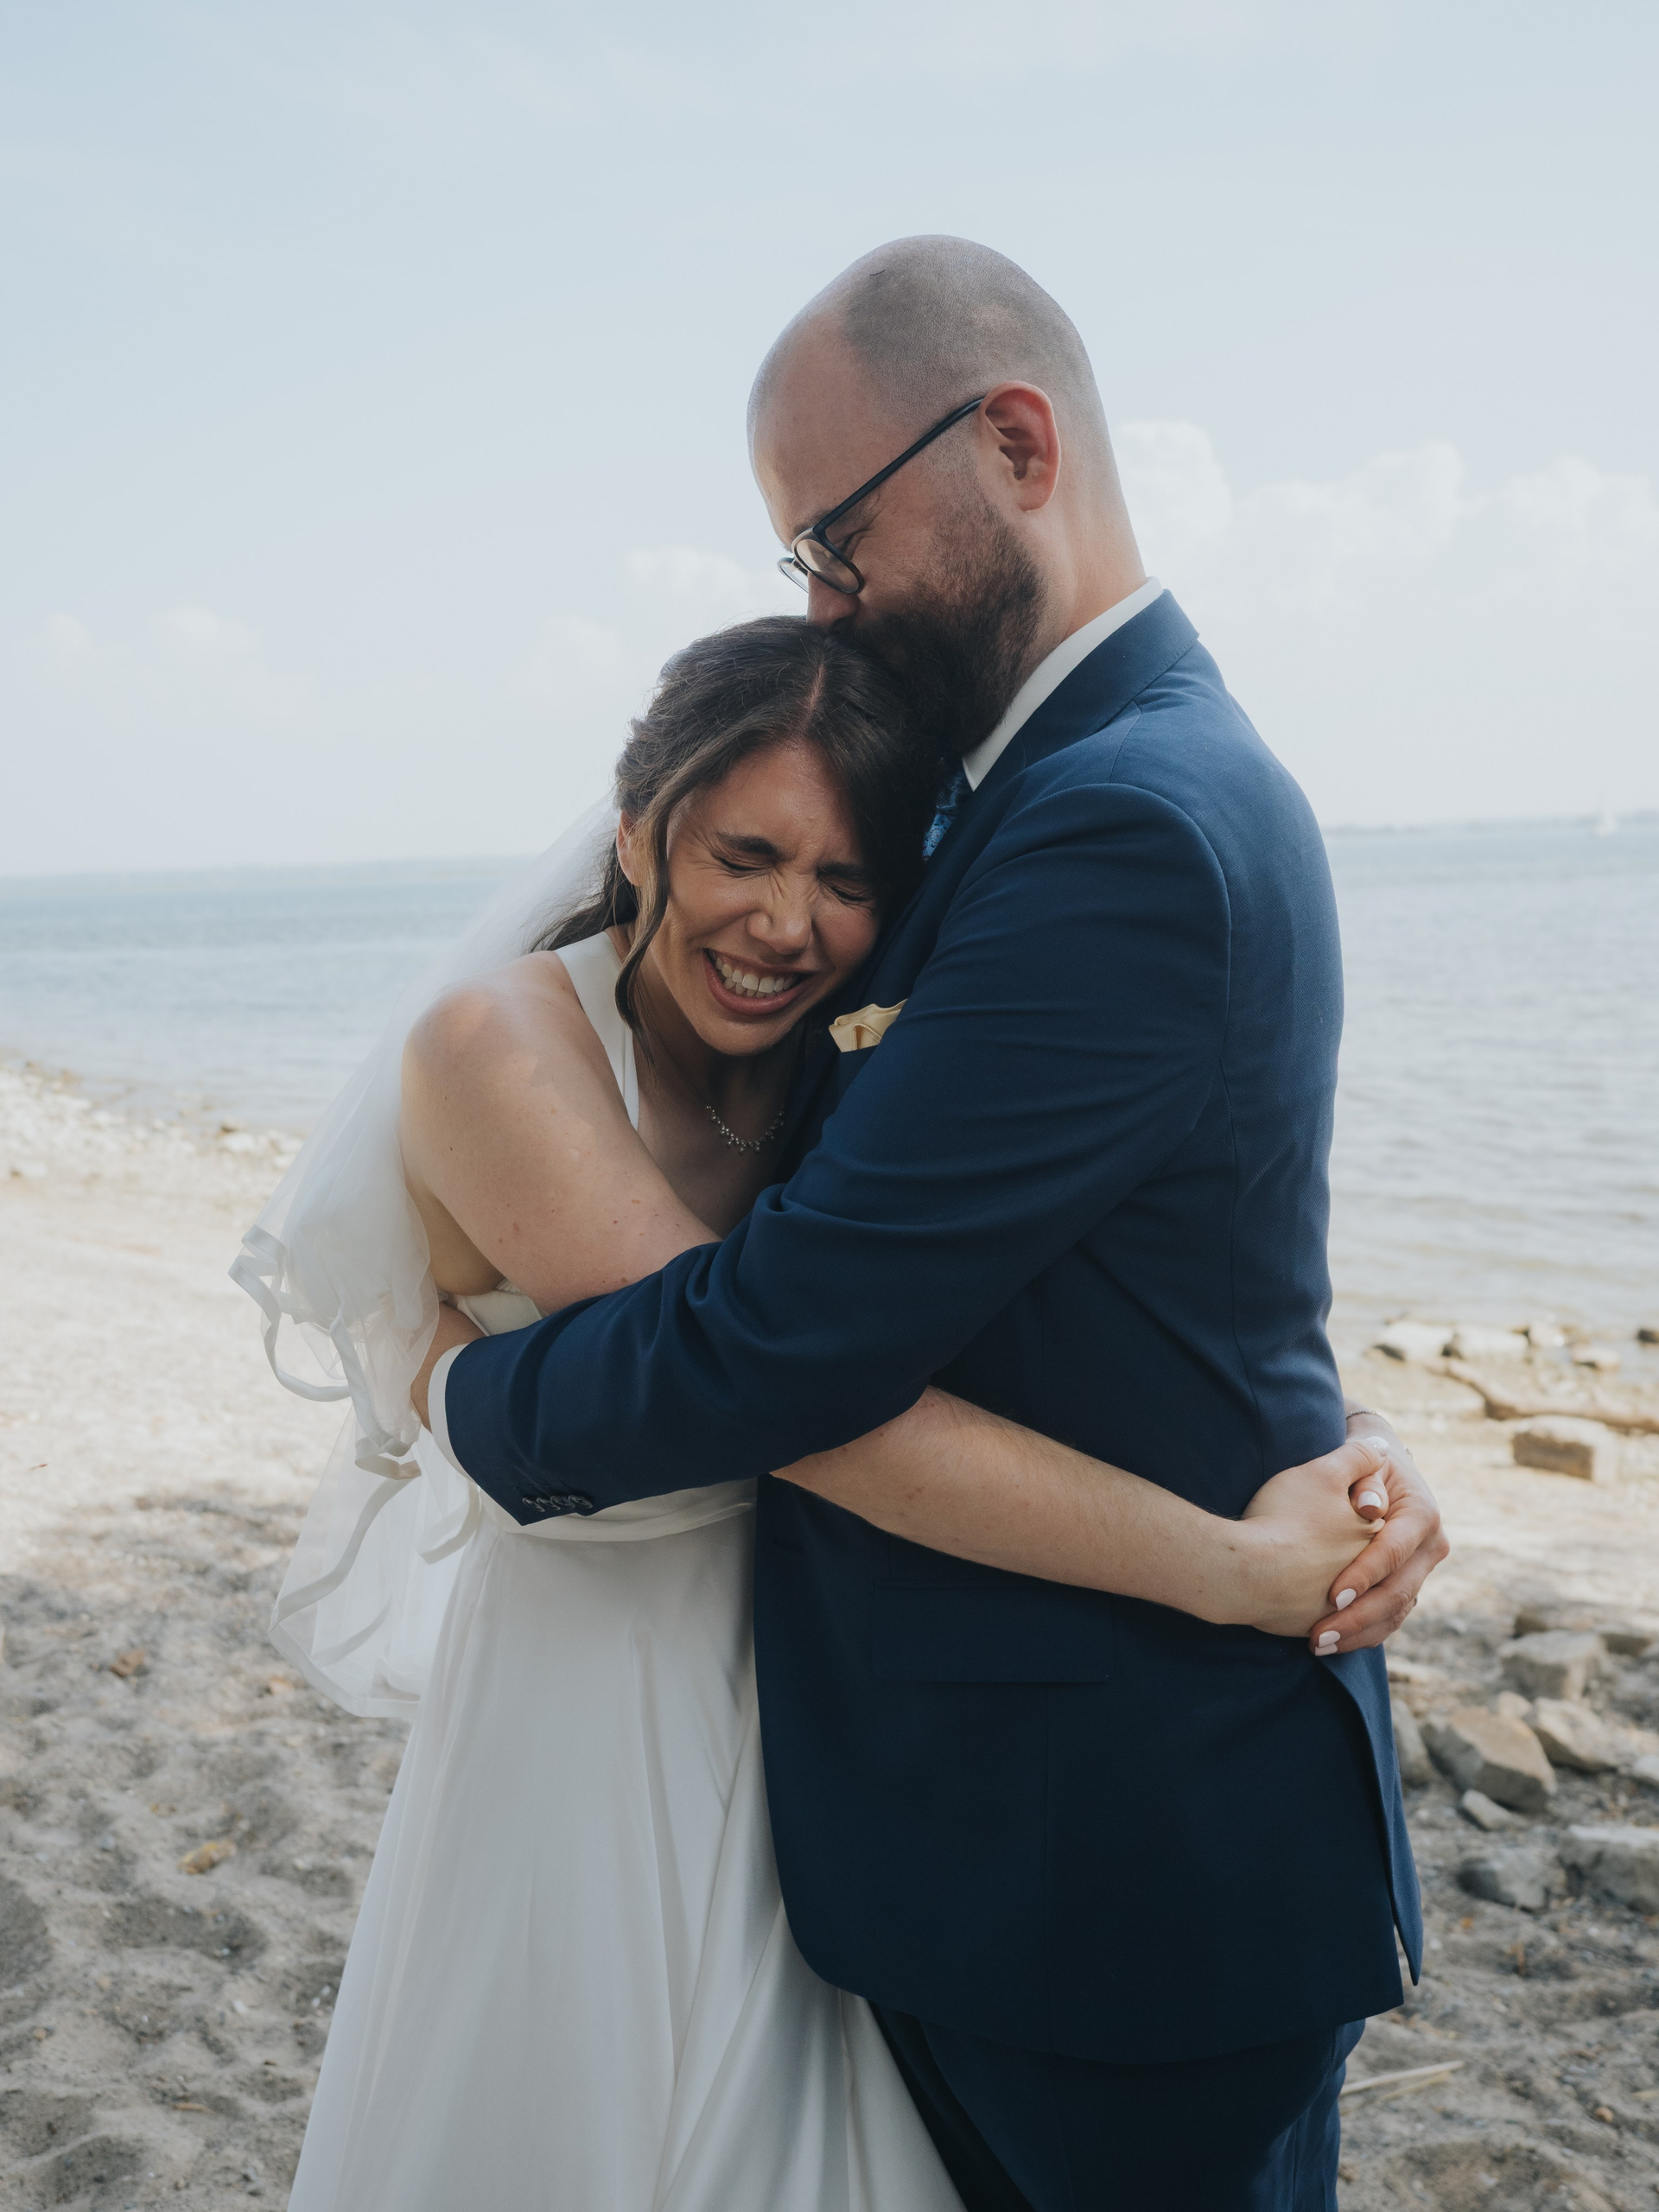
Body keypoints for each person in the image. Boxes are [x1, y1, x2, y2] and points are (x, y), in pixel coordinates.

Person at [418, 238, 1449, 2211]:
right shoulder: (1043, 786)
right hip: (1006, 1852)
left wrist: (466, 1401)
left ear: (1016, 444)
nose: (818, 601)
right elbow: (1173, 1253)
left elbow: (785, 1335)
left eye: (836, 539)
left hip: (1116, 1877)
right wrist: (1362, 1436)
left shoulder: (1125, 815)